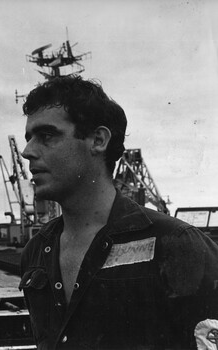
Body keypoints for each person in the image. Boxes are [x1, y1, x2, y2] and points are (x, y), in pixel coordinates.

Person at [18, 75, 218, 349]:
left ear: (98, 140)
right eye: (29, 138)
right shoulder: (36, 253)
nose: (27, 151)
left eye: (47, 136)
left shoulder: (178, 245)